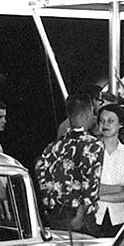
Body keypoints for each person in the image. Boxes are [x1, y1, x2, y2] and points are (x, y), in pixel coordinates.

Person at [36, 93, 103, 231]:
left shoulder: (53, 146)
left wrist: (49, 204)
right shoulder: (93, 144)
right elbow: (91, 183)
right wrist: (80, 216)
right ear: (87, 115)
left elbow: (40, 172)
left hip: (55, 214)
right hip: (78, 215)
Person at [91, 101, 124, 233]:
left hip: (121, 218)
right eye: (102, 120)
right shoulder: (89, 151)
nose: (105, 124)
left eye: (110, 121)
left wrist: (97, 195)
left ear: (121, 124)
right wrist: (118, 189)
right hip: (93, 216)